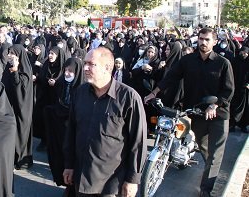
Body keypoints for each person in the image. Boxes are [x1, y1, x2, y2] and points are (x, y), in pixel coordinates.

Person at [144, 28, 235, 197]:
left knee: (215, 155)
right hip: (196, 113)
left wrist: (215, 105)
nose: (203, 42)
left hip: (219, 115)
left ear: (214, 42)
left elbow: (229, 90)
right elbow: (171, 78)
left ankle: (205, 191)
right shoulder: (187, 61)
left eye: (207, 39)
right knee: (205, 150)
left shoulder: (223, 63)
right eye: (201, 39)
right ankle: (209, 172)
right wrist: (154, 93)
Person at [63, 47, 147, 197]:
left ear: (108, 67)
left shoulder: (129, 98)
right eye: (85, 63)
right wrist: (69, 165)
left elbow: (138, 142)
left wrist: (133, 180)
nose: (85, 68)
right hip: (81, 177)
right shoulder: (80, 93)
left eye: (91, 64)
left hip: (111, 184)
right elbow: (72, 131)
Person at [44, 58, 84, 197]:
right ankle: (66, 184)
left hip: (76, 132)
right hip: (63, 129)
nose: (67, 73)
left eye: (71, 71)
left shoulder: (83, 89)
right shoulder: (61, 84)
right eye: (65, 70)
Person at [2, 44, 34, 169]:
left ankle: (21, 159)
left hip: (22, 106)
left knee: (20, 131)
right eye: (9, 53)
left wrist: (15, 71)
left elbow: (20, 88)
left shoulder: (25, 70)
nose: (10, 56)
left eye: (12, 53)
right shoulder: (8, 66)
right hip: (10, 105)